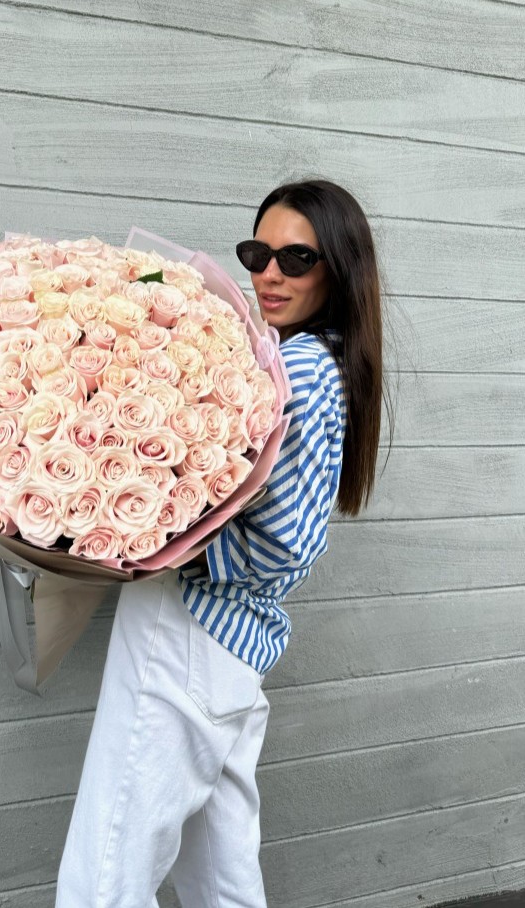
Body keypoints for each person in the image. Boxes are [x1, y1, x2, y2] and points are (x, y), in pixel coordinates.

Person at [55, 178, 390, 907]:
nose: (269, 274)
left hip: (187, 635)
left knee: (104, 875)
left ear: (338, 266)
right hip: (235, 651)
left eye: (296, 259)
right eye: (257, 253)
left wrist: (145, 535)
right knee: (223, 877)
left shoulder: (296, 370)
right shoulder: (314, 360)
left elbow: (282, 543)